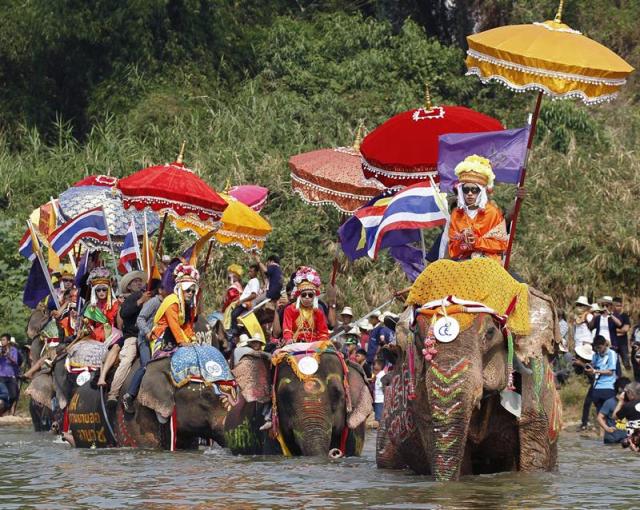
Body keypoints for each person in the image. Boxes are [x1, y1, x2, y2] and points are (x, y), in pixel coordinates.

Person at [97, 271, 150, 403]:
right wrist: (140, 301)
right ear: (129, 287)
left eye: (139, 281)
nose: (138, 283)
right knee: (127, 358)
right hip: (133, 336)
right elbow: (125, 313)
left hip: (151, 335)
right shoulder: (130, 299)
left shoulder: (149, 296)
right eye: (135, 281)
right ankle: (113, 394)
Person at [447, 155, 509, 261]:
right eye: (466, 190)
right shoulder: (456, 214)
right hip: (462, 262)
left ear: (481, 191)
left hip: (487, 262)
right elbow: (452, 249)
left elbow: (501, 245)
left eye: (474, 190)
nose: (470, 194)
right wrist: (462, 241)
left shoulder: (493, 213)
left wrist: (477, 241)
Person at [122, 284, 166, 413]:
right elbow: (140, 319)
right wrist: (147, 332)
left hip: (163, 341)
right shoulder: (154, 302)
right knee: (147, 365)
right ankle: (129, 395)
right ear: (160, 289)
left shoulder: (173, 302)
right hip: (146, 340)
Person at [150, 263, 200, 354]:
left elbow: (186, 325)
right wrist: (182, 342)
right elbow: (173, 324)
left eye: (193, 291)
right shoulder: (172, 301)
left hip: (177, 334)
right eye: (188, 290)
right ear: (180, 289)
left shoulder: (185, 304)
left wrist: (193, 339)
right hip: (163, 335)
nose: (190, 293)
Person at [281, 266, 329, 344]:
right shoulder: (290, 309)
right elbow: (287, 329)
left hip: (314, 344)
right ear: (299, 296)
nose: (307, 297)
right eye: (304, 295)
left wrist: (322, 343)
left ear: (314, 297)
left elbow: (323, 333)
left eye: (310, 295)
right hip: (295, 342)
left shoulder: (318, 312)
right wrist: (289, 339)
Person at [82, 267, 119, 342]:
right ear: (95, 292)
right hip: (95, 334)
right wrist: (87, 326)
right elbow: (90, 324)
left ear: (108, 290)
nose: (101, 292)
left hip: (113, 334)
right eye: (98, 290)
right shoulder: (91, 306)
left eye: (104, 289)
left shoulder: (115, 303)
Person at [583, 335, 618, 414]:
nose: (598, 350)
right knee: (600, 415)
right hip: (597, 388)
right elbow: (593, 365)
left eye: (600, 347)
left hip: (609, 387)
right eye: (596, 348)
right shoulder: (596, 355)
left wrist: (595, 371)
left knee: (611, 414)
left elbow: (610, 372)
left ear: (605, 344)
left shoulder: (611, 353)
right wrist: (588, 366)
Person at [230, 264, 261, 338]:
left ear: (256, 272)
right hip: (243, 302)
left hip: (245, 304)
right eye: (249, 271)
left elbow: (253, 295)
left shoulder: (254, 281)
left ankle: (235, 333)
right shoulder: (251, 281)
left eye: (252, 271)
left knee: (233, 314)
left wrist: (242, 301)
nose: (250, 273)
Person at [597, 376, 631, 444]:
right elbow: (599, 417)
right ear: (620, 389)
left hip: (625, 440)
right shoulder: (609, 402)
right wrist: (606, 428)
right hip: (611, 439)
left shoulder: (630, 402)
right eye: (628, 388)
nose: (630, 391)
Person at [573, 342, 595, 431]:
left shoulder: (591, 362)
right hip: (594, 384)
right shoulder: (585, 362)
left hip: (599, 384)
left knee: (594, 403)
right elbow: (578, 372)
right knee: (587, 404)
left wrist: (581, 364)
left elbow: (592, 373)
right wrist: (577, 365)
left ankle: (586, 423)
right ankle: (584, 423)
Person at [0, 334, 20, 413]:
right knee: (4, 394)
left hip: (11, 376)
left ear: (8, 341)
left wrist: (8, 356)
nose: (2, 341)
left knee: (13, 395)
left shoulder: (14, 350)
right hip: (1, 375)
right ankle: (3, 410)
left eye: (3, 340)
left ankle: (5, 409)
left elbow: (15, 361)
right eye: (1, 340)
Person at [611, 297, 631, 370]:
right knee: (614, 362)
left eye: (619, 305)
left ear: (622, 306)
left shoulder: (624, 316)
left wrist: (613, 330)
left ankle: (630, 376)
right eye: (615, 305)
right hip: (612, 343)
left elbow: (625, 329)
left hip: (623, 343)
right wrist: (620, 330)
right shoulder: (610, 316)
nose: (617, 307)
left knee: (626, 361)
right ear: (612, 306)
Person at [372, 358, 386, 423]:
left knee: (379, 419)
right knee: (378, 418)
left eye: (375, 364)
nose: (374, 366)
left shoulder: (381, 376)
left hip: (380, 400)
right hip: (378, 400)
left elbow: (383, 388)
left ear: (380, 366)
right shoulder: (377, 376)